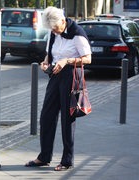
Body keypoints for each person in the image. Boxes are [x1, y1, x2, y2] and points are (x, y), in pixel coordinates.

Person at [24, 6, 91, 171]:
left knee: (67, 120)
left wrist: (66, 61)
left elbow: (88, 59)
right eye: (52, 29)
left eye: (56, 28)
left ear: (63, 20)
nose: (55, 31)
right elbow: (50, 54)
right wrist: (45, 62)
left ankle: (67, 160)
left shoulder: (77, 33)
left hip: (71, 76)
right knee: (46, 115)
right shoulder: (53, 33)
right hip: (55, 75)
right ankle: (44, 157)